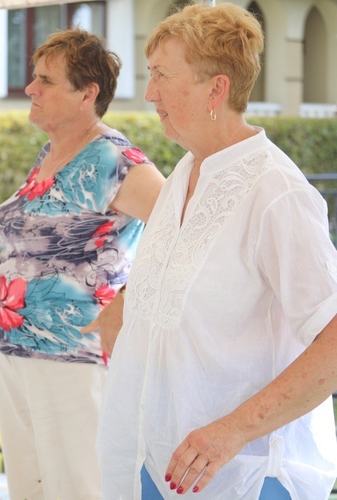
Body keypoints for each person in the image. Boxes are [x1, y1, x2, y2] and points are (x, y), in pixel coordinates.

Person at [96, 4, 337, 499]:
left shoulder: (278, 194)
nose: (149, 93)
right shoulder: (186, 170)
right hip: (156, 462)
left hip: (246, 477)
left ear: (217, 89)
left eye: (162, 75)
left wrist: (233, 430)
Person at [0, 29, 165, 500]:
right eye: (34, 78)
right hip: (14, 350)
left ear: (88, 94)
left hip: (71, 358)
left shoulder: (116, 159)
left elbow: (186, 233)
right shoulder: (53, 152)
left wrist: (129, 298)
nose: (31, 89)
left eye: (45, 80)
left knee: (77, 490)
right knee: (30, 489)